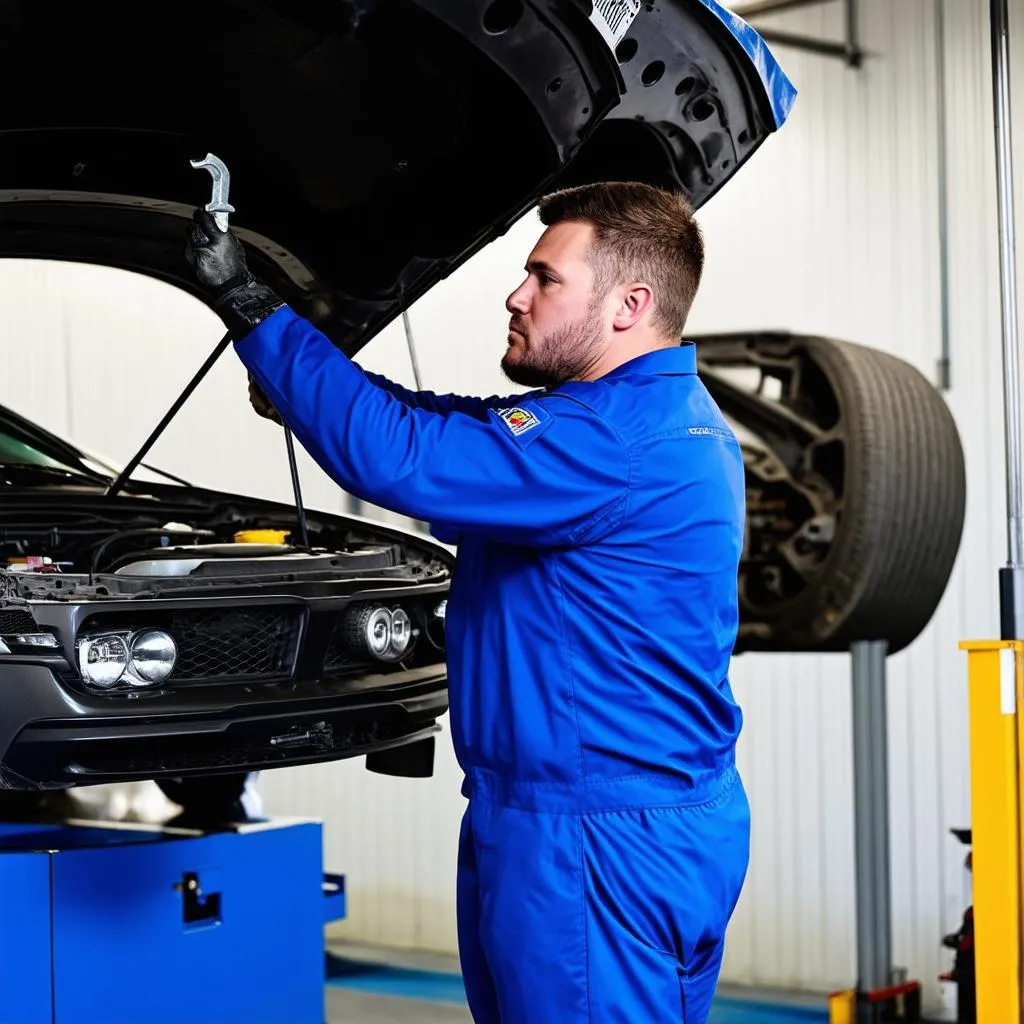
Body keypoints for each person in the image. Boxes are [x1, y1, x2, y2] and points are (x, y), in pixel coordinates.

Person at [184, 180, 749, 1024]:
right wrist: (311, 386)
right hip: (591, 817)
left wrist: (248, 301)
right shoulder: (642, 418)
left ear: (630, 305)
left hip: (591, 834)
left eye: (545, 278)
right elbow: (447, 428)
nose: (516, 296)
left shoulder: (611, 444)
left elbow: (402, 459)